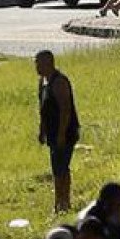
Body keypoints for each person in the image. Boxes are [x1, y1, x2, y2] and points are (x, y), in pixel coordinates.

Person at [37, 49, 80, 215]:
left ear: (49, 63)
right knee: (56, 167)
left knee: (62, 167)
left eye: (39, 63)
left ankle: (64, 202)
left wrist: (62, 133)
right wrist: (42, 130)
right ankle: (59, 202)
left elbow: (65, 109)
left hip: (65, 131)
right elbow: (42, 108)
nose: (37, 67)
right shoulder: (43, 82)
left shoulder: (59, 82)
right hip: (52, 132)